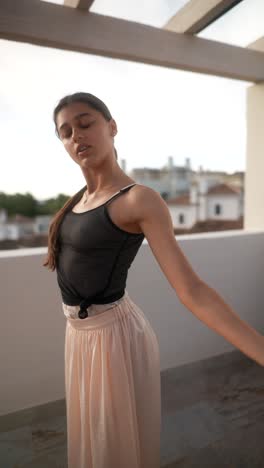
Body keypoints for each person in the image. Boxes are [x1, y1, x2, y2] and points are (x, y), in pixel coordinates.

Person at [43, 92, 264, 468]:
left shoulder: (137, 200)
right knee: (91, 445)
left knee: (113, 451)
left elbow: (191, 290)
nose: (76, 136)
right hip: (79, 338)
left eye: (85, 123)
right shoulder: (79, 200)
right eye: (66, 132)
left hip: (113, 339)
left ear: (111, 128)